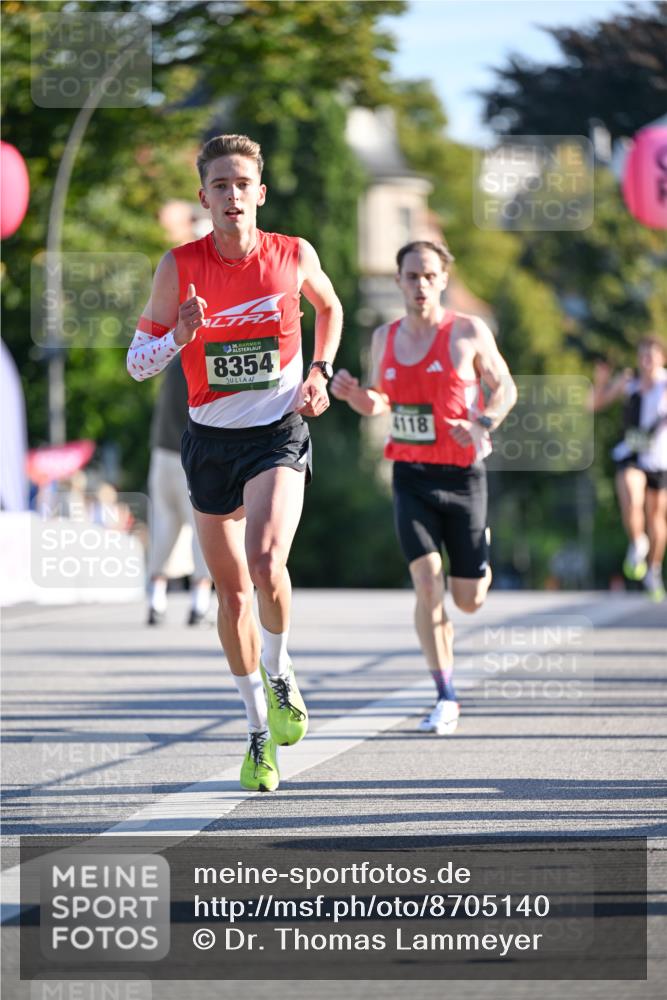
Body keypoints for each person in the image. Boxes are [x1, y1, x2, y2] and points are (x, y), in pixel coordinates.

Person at [127, 134, 343, 791]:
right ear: (204, 196)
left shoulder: (292, 253)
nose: (231, 195)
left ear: (260, 193)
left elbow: (329, 307)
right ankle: (256, 731)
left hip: (277, 432)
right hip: (209, 444)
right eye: (219, 185)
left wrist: (320, 371)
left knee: (266, 560)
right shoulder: (178, 267)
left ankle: (279, 673)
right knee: (232, 594)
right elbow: (137, 365)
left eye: (241, 184)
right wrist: (178, 335)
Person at [331, 240, 516, 734]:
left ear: (443, 281)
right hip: (411, 477)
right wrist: (355, 396)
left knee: (469, 599)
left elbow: (505, 387)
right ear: (399, 281)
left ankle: (479, 552)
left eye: (430, 276)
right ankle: (445, 694)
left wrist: (482, 421)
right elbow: (379, 401)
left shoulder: (467, 332)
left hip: (463, 477)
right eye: (412, 276)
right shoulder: (384, 338)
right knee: (428, 583)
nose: (420, 285)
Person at [591, 336, 667, 601]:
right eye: (641, 355)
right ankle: (637, 543)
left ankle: (653, 570)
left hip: (659, 459)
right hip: (632, 454)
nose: (645, 361)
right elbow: (595, 404)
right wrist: (601, 381)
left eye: (650, 356)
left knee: (656, 518)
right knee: (632, 498)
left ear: (661, 358)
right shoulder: (629, 382)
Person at [146, 355, 212, 626]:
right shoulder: (201, 360)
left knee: (164, 527)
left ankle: (156, 600)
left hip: (162, 454)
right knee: (204, 527)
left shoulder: (171, 364)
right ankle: (199, 603)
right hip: (192, 455)